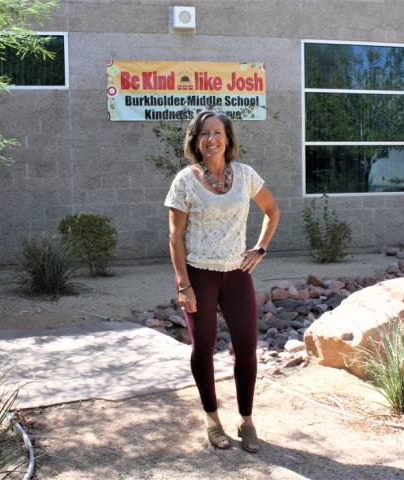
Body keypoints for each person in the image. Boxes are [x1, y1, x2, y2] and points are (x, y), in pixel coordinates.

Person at [164, 110, 280, 453]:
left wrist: (259, 249)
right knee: (204, 347)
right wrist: (183, 284)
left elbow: (272, 210)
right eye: (204, 134)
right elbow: (175, 236)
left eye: (217, 133)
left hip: (237, 275)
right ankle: (212, 419)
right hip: (198, 275)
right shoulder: (184, 180)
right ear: (195, 141)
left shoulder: (245, 176)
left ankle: (246, 420)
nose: (211, 139)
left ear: (227, 139)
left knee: (246, 348)